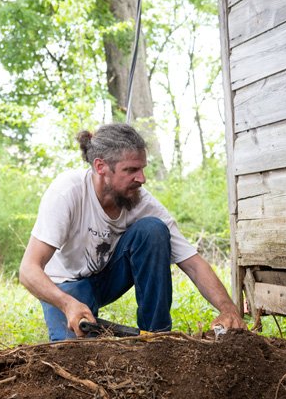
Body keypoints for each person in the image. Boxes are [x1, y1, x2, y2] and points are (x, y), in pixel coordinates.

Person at [19, 123, 246, 341]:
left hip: (107, 278)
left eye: (142, 169)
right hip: (66, 285)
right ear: (101, 167)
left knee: (153, 230)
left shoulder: (142, 202)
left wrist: (229, 310)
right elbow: (28, 270)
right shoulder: (67, 192)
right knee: (75, 353)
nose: (142, 178)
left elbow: (194, 264)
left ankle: (156, 337)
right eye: (131, 170)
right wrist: (67, 304)